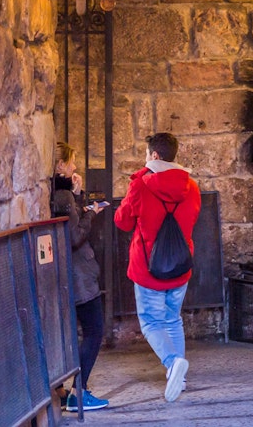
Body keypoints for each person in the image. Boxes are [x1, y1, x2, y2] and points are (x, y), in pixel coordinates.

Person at [114, 133, 201, 403]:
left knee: (151, 322)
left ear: (153, 156)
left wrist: (138, 180)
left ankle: (173, 362)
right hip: (179, 266)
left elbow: (123, 222)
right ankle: (180, 378)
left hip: (148, 269)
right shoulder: (192, 187)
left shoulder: (141, 185)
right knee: (173, 318)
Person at [51, 142, 110, 412]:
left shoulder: (62, 194)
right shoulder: (61, 198)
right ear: (60, 165)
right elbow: (74, 236)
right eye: (71, 162)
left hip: (72, 275)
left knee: (79, 332)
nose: (74, 167)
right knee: (94, 331)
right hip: (79, 277)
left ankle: (68, 390)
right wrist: (92, 215)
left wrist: (78, 195)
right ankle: (79, 392)